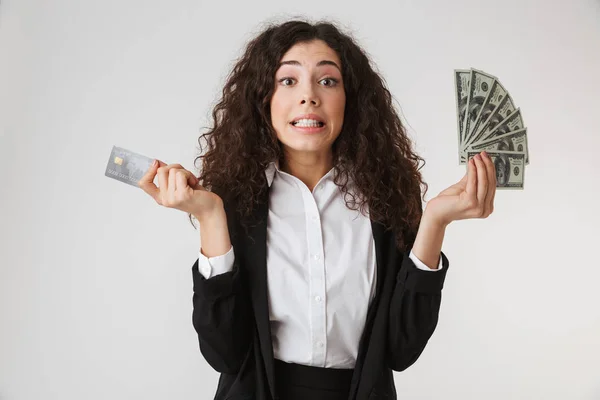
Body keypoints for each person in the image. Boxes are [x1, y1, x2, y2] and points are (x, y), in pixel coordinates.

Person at [139, 18, 497, 400]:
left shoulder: (386, 200)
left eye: (327, 81)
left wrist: (435, 222)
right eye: (288, 81)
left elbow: (401, 349)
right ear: (264, 99)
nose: (309, 96)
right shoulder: (236, 204)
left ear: (351, 99)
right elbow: (224, 353)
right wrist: (211, 216)